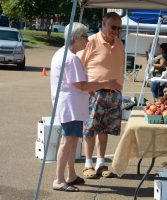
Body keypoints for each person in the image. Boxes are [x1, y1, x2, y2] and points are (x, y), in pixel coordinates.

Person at [50, 22, 120, 192]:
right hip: (71, 105)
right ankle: (59, 179)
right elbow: (81, 85)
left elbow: (75, 84)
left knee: (72, 141)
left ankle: (70, 174)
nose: (87, 40)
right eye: (84, 36)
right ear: (75, 38)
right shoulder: (71, 58)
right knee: (67, 141)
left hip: (70, 104)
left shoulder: (62, 54)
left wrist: (88, 89)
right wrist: (106, 83)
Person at [78, 12, 124, 179]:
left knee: (104, 130)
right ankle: (88, 164)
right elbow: (79, 65)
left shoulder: (119, 44)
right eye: (113, 27)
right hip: (94, 93)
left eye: (119, 28)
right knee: (90, 129)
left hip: (114, 94)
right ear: (104, 23)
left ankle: (100, 163)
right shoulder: (91, 41)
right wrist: (86, 86)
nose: (116, 31)